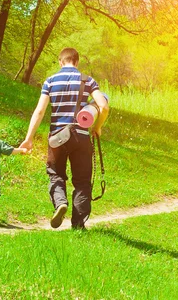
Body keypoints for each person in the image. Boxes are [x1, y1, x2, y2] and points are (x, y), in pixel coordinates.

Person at [20, 47, 109, 229]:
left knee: (56, 175)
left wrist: (29, 138)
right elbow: (104, 106)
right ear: (76, 62)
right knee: (82, 181)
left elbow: (39, 111)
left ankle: (60, 202)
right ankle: (78, 225)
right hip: (81, 136)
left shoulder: (50, 81)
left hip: (57, 138)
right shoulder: (88, 80)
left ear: (61, 62)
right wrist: (97, 127)